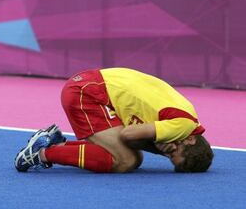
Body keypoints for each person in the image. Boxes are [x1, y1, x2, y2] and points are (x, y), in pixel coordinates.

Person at [15, 68, 214, 173]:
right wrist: (160, 145)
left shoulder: (186, 118)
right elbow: (128, 135)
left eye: (170, 159)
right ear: (190, 140)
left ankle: (59, 144)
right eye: (174, 152)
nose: (168, 153)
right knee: (125, 161)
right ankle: (41, 153)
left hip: (96, 88)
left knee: (134, 159)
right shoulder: (183, 125)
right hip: (88, 92)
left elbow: (134, 137)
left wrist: (159, 144)